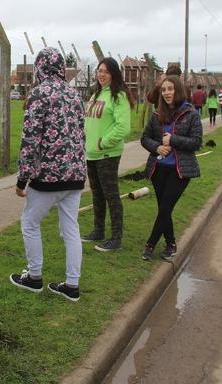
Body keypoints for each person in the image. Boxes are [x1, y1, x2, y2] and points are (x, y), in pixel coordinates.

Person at [8, 48, 86, 302]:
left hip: (48, 177)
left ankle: (34, 277)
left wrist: (22, 179)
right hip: (75, 175)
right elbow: (81, 134)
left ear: (40, 66)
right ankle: (72, 285)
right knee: (70, 229)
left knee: (30, 223)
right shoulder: (75, 94)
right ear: (61, 67)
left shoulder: (39, 94)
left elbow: (30, 140)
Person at [140, 76, 202, 260]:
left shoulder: (191, 114)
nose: (166, 93)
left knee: (166, 207)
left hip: (180, 171)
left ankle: (150, 243)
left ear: (178, 90)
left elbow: (196, 142)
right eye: (164, 90)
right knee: (163, 208)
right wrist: (157, 147)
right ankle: (171, 243)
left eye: (170, 89)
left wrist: (172, 140)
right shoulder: (156, 114)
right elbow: (145, 138)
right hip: (158, 169)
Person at [81, 57, 133, 252]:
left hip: (107, 154)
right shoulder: (96, 95)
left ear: (113, 74)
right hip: (91, 154)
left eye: (106, 71)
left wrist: (104, 143)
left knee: (111, 196)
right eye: (99, 70)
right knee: (97, 194)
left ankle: (116, 238)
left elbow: (123, 127)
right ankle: (98, 230)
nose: (101, 74)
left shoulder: (118, 96)